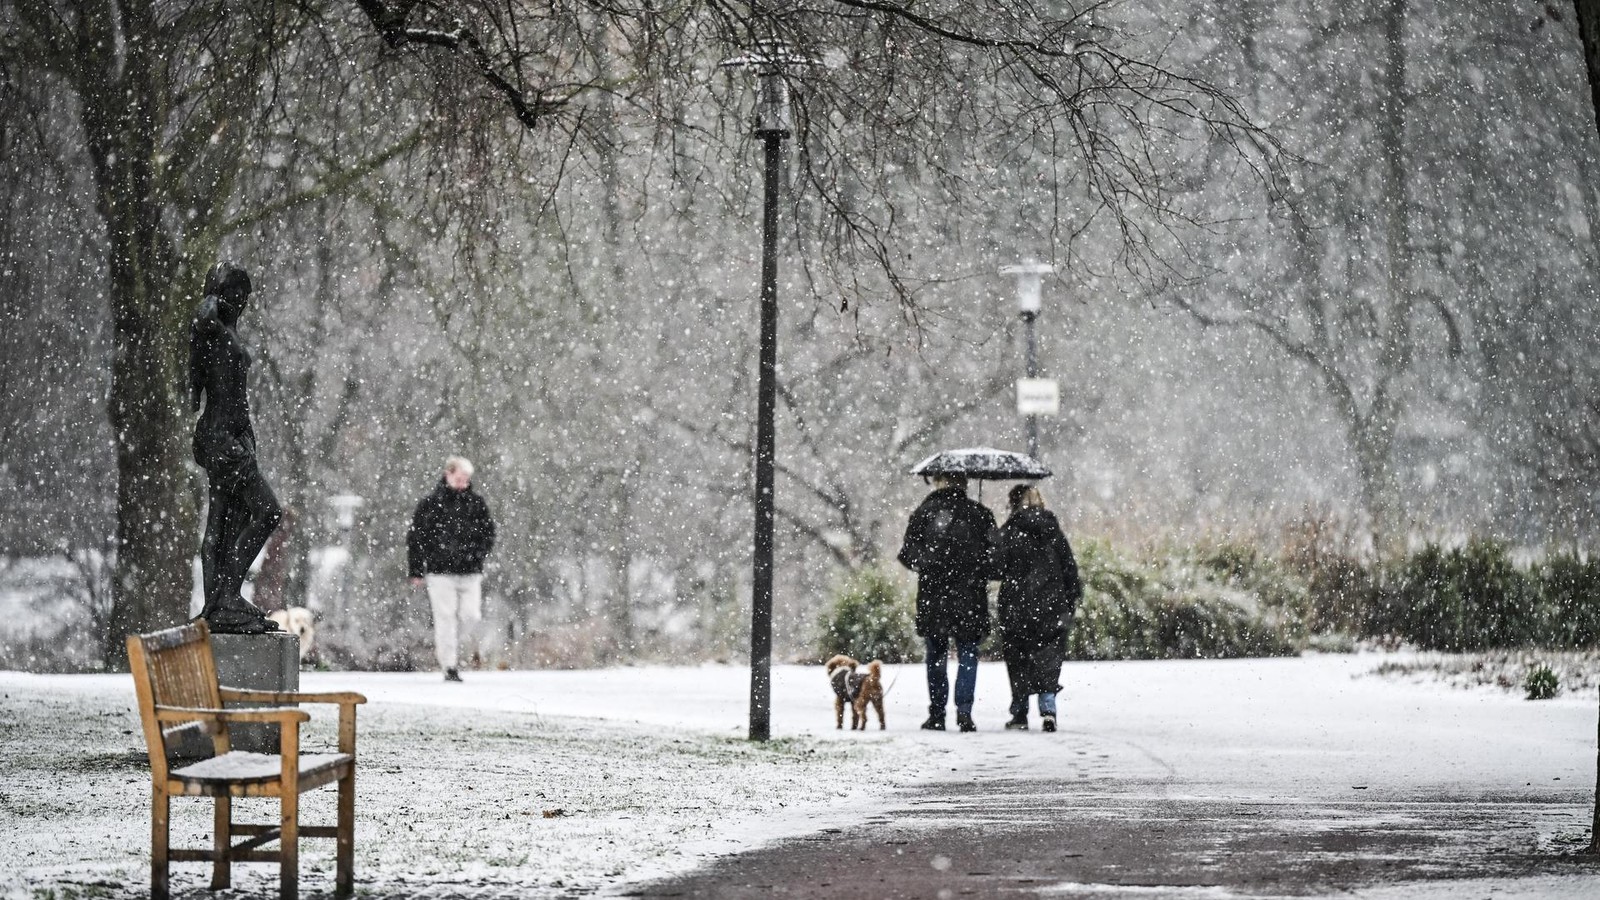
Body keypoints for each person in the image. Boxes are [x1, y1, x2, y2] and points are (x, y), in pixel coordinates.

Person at [190, 261, 283, 635]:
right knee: (267, 512)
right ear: (221, 295)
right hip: (223, 440)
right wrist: (208, 309)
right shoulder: (212, 331)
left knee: (225, 518)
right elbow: (201, 328)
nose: (241, 302)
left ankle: (218, 603)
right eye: (235, 295)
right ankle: (226, 595)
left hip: (228, 437)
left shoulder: (221, 331)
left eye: (244, 296)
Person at [897, 473, 997, 732]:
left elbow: (907, 555)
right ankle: (964, 712)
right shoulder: (980, 514)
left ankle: (937, 713)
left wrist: (930, 563)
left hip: (934, 596)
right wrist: (976, 564)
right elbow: (995, 559)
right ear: (964, 484)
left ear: (938, 481)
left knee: (936, 654)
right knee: (968, 653)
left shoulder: (924, 513)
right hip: (970, 597)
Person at [995, 483, 1082, 733]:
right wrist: (1071, 599)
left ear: (1013, 504)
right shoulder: (1053, 531)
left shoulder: (1009, 532)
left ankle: (1020, 713)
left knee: (1017, 659)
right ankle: (1048, 709)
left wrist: (991, 542)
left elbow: (995, 568)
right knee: (1049, 658)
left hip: (1016, 605)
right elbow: (1069, 567)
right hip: (1052, 604)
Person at [407, 456, 496, 681]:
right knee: (445, 617)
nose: (463, 483)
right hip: (440, 573)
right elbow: (416, 538)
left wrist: (478, 554)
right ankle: (449, 665)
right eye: (459, 478)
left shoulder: (476, 504)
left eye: (466, 479)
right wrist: (416, 570)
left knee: (471, 616)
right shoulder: (430, 504)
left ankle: (456, 647)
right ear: (448, 474)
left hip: (470, 572)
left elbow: (488, 534)